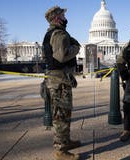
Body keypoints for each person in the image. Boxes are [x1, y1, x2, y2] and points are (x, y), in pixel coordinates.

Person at [42, 6, 81, 160]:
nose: (66, 17)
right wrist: (76, 48)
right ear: (57, 18)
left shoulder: (50, 33)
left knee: (64, 113)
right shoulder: (58, 33)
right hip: (59, 81)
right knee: (61, 116)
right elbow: (61, 56)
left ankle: (66, 141)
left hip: (57, 79)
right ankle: (61, 150)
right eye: (63, 15)